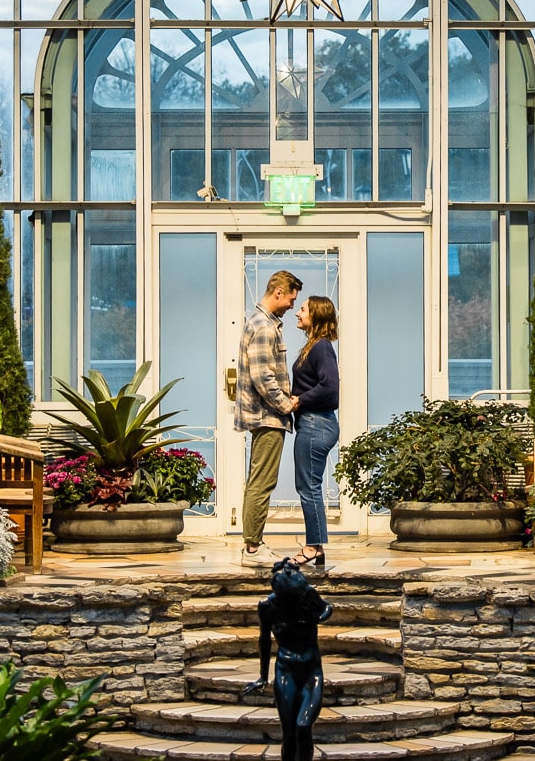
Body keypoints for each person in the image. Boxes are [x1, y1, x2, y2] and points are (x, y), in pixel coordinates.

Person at [237, 269, 302, 567]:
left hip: (266, 416)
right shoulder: (264, 326)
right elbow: (263, 376)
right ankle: (252, 548)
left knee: (259, 480)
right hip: (268, 417)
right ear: (278, 292)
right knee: (262, 482)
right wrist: (286, 405)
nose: (292, 305)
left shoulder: (262, 322)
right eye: (291, 299)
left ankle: (253, 544)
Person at [242, 558, 332, 761]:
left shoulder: (307, 594)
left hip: (311, 671)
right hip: (285, 669)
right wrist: (263, 677)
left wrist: (318, 618)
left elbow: (328, 608)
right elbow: (264, 641)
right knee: (289, 732)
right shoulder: (267, 606)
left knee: (303, 725)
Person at [290, 296, 339, 569]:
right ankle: (316, 548)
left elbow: (330, 387)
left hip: (316, 423)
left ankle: (312, 546)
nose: (297, 313)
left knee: (309, 487)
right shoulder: (314, 346)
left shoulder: (321, 347)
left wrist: (299, 400)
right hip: (315, 423)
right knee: (310, 486)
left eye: (303, 309)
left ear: (317, 316)